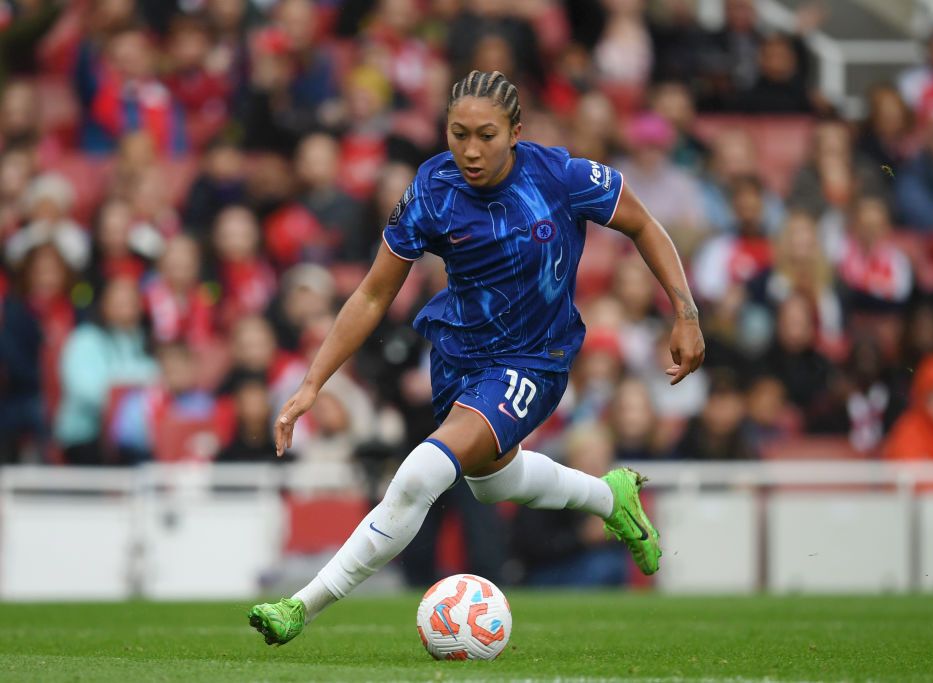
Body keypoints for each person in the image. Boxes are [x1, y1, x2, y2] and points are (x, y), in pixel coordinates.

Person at [247, 70, 705, 644]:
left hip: (535, 359)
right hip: (459, 355)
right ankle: (609, 496)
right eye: (457, 133)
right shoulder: (432, 189)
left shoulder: (560, 175)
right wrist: (314, 382)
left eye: (485, 135)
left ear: (516, 131)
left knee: (422, 472)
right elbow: (371, 292)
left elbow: (643, 223)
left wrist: (685, 312)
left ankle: (299, 607)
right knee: (491, 482)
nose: (469, 150)